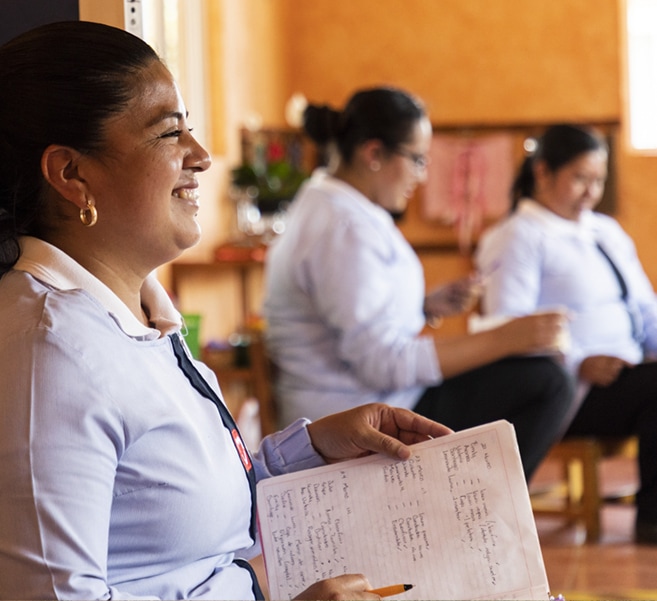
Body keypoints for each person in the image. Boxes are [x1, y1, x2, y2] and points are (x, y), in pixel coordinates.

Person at [0, 21, 456, 600]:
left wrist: (309, 447)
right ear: (72, 173)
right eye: (170, 134)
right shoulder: (50, 353)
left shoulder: (136, 316)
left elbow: (181, 518)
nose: (202, 157)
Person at [262, 87, 574, 481]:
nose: (423, 175)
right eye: (417, 159)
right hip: (356, 411)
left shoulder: (341, 207)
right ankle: (481, 516)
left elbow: (358, 317)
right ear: (373, 154)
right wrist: (506, 338)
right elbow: (380, 363)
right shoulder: (344, 228)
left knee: (534, 373)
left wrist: (425, 307)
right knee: (545, 383)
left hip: (375, 394)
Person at [475, 123, 657, 544]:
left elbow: (645, 309)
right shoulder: (517, 237)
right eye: (580, 178)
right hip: (570, 390)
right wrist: (579, 361)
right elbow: (507, 328)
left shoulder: (606, 232)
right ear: (542, 172)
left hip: (628, 376)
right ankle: (652, 519)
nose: (591, 192)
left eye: (598, 181)